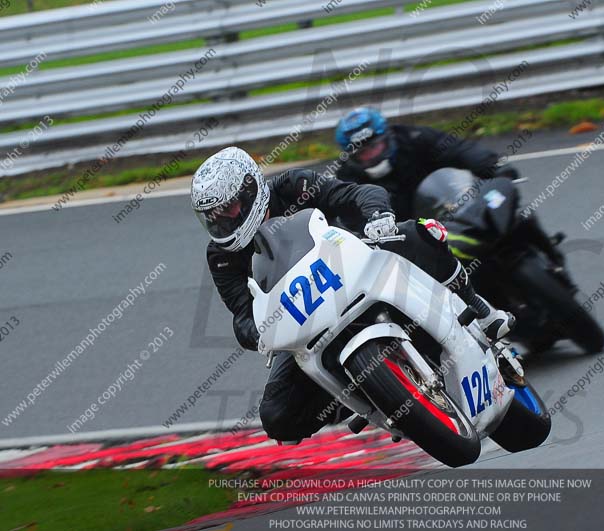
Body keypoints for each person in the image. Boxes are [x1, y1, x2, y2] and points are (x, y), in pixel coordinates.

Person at [191, 146, 514, 443]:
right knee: (277, 417)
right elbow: (242, 314)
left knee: (420, 231)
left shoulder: (292, 187)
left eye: (227, 209)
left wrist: (377, 216)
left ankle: (479, 309)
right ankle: (372, 397)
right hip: (305, 318)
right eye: (212, 216)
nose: (222, 220)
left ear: (250, 190)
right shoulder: (221, 255)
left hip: (355, 265)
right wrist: (258, 333)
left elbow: (359, 193)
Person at [334, 107, 565, 267]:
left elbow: (460, 150)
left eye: (374, 146)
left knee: (516, 212)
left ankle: (550, 252)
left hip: (459, 204)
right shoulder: (347, 177)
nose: (371, 155)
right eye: (362, 153)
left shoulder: (415, 137)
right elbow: (348, 219)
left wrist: (495, 167)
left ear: (387, 137)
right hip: (419, 236)